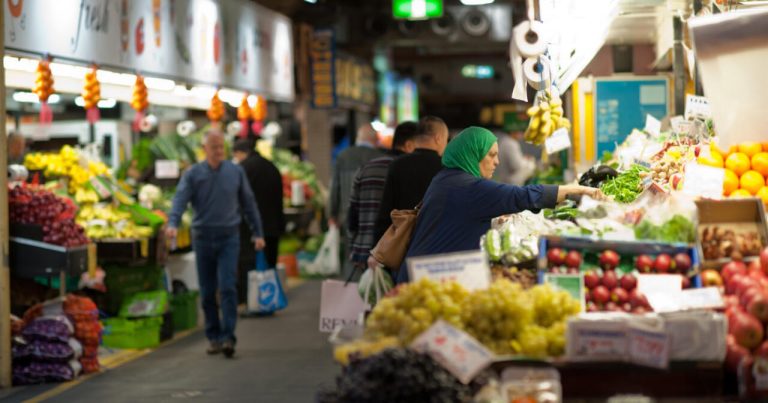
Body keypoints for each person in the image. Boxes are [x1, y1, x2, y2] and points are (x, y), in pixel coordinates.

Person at [395, 126, 602, 283]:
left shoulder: (446, 179)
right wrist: (579, 190)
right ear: (473, 154)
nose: (497, 162)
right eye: (492, 155)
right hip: (426, 280)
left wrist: (491, 220)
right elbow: (522, 196)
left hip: (424, 271)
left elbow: (457, 218)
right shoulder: (467, 186)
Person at [166, 131, 265, 358]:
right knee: (208, 290)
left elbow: (249, 203)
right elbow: (180, 199)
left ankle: (228, 336)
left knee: (228, 286)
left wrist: (257, 232)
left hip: (229, 237)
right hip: (202, 238)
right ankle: (213, 336)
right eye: (214, 147)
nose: (219, 151)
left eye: (221, 147)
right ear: (205, 149)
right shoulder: (193, 174)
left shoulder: (235, 171)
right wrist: (173, 222)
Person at [347, 121, 418, 270]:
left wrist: (355, 242)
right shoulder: (409, 171)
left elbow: (352, 215)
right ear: (409, 145)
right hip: (396, 254)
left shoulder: (367, 167)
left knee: (368, 293)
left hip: (364, 250)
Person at [373, 116, 449, 243]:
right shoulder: (446, 168)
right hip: (435, 243)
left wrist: (378, 247)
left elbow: (386, 211)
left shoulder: (397, 165)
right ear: (438, 138)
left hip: (403, 244)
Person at [233, 139, 285, 305]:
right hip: (274, 224)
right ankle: (269, 300)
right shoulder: (272, 167)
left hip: (251, 228)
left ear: (240, 153)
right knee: (269, 264)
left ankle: (251, 301)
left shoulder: (243, 169)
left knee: (249, 265)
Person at [328, 123, 385, 275]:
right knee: (375, 255)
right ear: (374, 140)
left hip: (347, 214)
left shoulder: (343, 156)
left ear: (359, 138)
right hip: (374, 215)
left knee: (351, 255)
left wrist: (332, 214)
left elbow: (335, 187)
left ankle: (352, 289)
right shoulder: (381, 158)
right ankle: (371, 289)